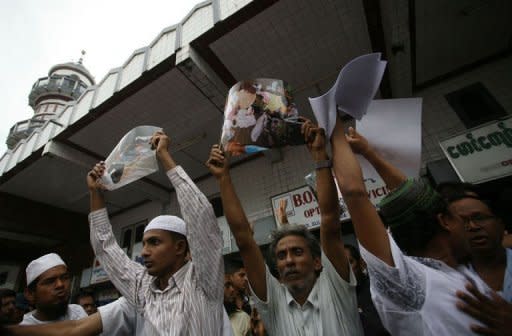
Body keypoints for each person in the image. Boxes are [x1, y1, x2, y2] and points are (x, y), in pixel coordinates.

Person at [331, 122, 504, 335]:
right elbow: (354, 193)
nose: (470, 227)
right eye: (462, 219)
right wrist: (333, 122)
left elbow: (416, 197)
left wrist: (369, 153)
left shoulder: (459, 269)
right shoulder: (410, 282)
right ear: (445, 221)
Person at [206, 120, 363, 335]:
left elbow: (329, 219)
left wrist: (319, 155)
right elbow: (244, 240)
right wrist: (223, 178)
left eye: (297, 252)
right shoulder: (273, 303)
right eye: (281, 256)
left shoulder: (336, 288)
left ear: (317, 262)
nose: (288, 260)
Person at [86, 131, 225, 334]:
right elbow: (105, 249)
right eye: (144, 244)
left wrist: (164, 156)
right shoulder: (143, 289)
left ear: (179, 247)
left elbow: (200, 216)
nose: (144, 252)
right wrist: (95, 193)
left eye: (154, 242)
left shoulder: (203, 282)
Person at [436, 182, 512, 302]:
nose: (473, 226)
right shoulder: (448, 281)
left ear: (500, 224)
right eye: (462, 222)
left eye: (479, 218)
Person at [20, 253, 87, 325]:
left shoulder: (77, 311)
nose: (60, 284)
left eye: (65, 278)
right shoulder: (24, 329)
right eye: (50, 281)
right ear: (30, 294)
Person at [344, 244, 389, 335]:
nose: (346, 270)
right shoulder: (340, 297)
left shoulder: (376, 289)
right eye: (341, 265)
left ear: (361, 263)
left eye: (350, 262)